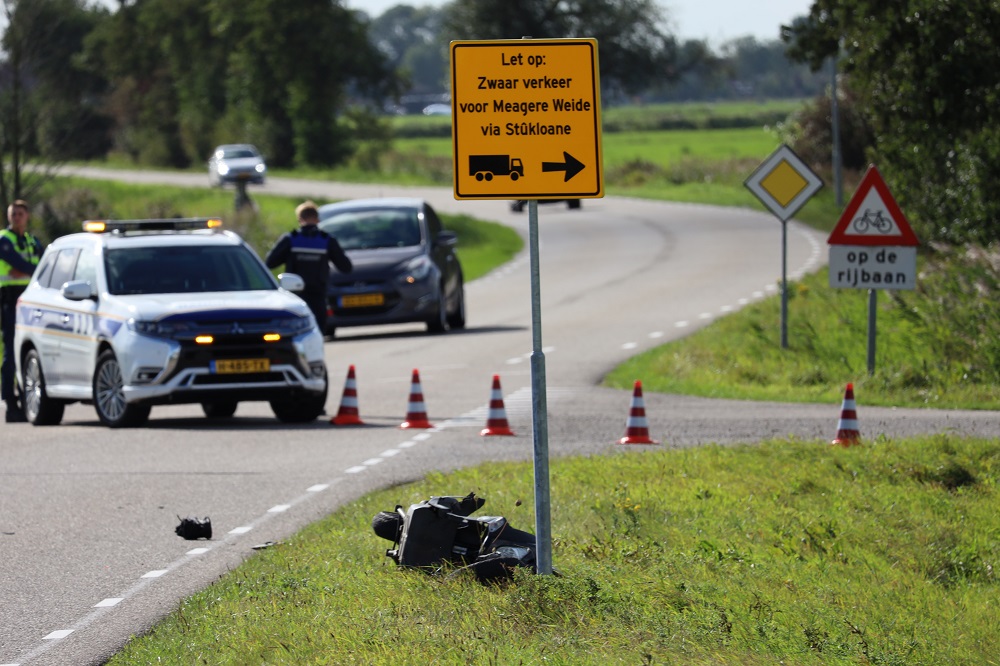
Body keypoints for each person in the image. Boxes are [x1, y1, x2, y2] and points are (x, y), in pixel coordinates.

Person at [264, 200, 352, 333]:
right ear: (317, 219)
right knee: (318, 331)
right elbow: (346, 267)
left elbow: (269, 263)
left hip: (295, 296)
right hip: (318, 295)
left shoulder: (290, 239)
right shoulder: (327, 240)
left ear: (299, 219)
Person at [0, 200, 44, 422]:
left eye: (20, 214)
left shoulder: (32, 241)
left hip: (30, 302)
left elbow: (46, 266)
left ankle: (28, 401)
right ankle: (10, 403)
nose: (16, 217)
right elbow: (20, 264)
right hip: (10, 302)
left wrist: (27, 272)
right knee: (11, 352)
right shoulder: (4, 240)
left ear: (27, 216)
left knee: (29, 351)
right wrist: (32, 271)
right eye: (13, 214)